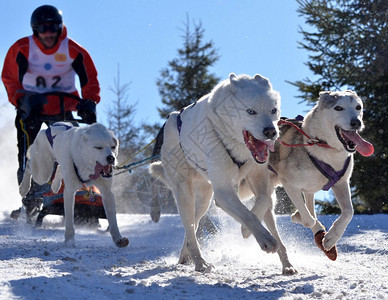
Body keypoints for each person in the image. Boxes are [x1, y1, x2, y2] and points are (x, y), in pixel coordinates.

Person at [1, 5, 101, 220]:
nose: (48, 33)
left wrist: (89, 103)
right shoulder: (21, 48)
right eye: (43, 28)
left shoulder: (74, 50)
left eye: (53, 27)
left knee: (76, 152)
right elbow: (10, 78)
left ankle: (82, 198)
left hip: (65, 108)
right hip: (31, 110)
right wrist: (21, 100)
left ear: (60, 27)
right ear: (35, 29)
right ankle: (31, 201)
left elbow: (89, 79)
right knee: (29, 155)